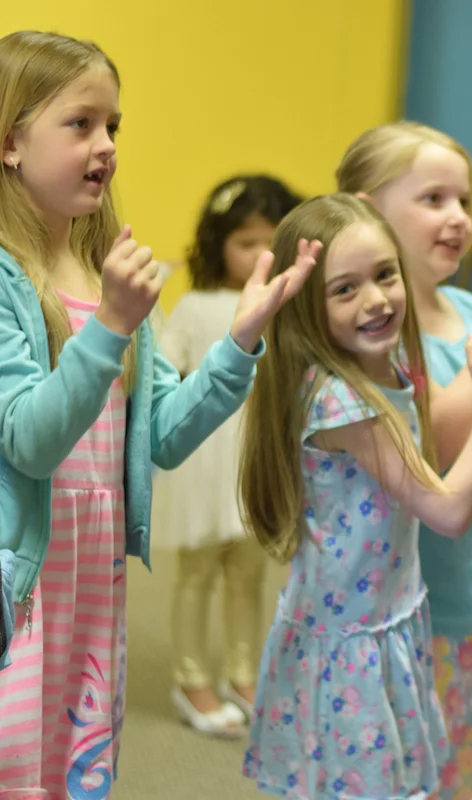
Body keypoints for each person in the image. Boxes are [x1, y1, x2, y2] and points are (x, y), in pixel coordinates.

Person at [0, 30, 313, 798]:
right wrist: (109, 323)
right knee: (17, 762)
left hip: (94, 573)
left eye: (113, 125)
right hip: (24, 582)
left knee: (77, 764)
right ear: (10, 143)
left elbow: (163, 436)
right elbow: (31, 442)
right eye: (80, 123)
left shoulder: (110, 270)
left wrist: (240, 343)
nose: (106, 144)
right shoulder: (12, 280)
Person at [238, 194, 472, 799]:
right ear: (307, 308)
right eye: (345, 289)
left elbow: (417, 456)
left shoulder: (385, 366)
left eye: (385, 275)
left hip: (386, 618)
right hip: (350, 643)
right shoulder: (342, 401)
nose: (376, 299)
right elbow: (447, 510)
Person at [337, 123, 472, 797]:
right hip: (406, 614)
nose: (459, 218)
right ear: (368, 211)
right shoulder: (374, 328)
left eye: (464, 200)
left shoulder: (468, 313)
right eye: (433, 199)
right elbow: (429, 444)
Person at [155, 174, 302, 736]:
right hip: (203, 456)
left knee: (249, 572)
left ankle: (244, 674)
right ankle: (191, 677)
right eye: (246, 242)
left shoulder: (285, 306)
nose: (260, 254)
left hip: (256, 454)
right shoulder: (196, 306)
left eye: (271, 241)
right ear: (218, 245)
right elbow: (166, 366)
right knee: (197, 572)